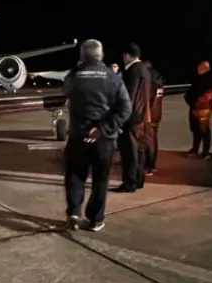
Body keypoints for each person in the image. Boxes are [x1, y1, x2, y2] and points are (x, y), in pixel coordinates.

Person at [62, 39, 131, 232]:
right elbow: (126, 108)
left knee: (75, 176)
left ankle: (74, 214)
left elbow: (64, 91)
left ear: (83, 56)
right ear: (101, 55)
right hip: (104, 139)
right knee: (101, 179)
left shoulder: (74, 76)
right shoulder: (113, 77)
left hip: (78, 136)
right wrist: (103, 128)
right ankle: (95, 219)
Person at [115, 42, 152, 192]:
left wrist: (120, 117)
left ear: (127, 55)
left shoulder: (132, 71)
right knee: (139, 150)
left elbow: (128, 97)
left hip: (131, 117)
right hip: (142, 115)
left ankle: (129, 183)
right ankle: (138, 180)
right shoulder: (145, 70)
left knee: (129, 151)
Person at [142, 59, 164, 175]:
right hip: (156, 112)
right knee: (153, 138)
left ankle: (149, 165)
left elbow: (147, 96)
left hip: (149, 113)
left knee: (149, 140)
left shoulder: (148, 77)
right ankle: (151, 164)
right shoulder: (157, 77)